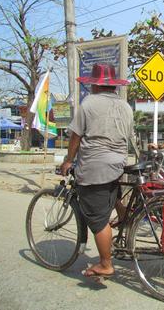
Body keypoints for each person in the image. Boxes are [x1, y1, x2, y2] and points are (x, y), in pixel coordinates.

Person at [60, 63, 133, 279]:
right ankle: (123, 218)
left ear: (95, 84)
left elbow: (76, 135)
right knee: (112, 194)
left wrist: (68, 161)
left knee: (98, 218)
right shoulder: (126, 106)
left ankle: (105, 264)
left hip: (95, 165)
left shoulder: (89, 103)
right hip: (119, 163)